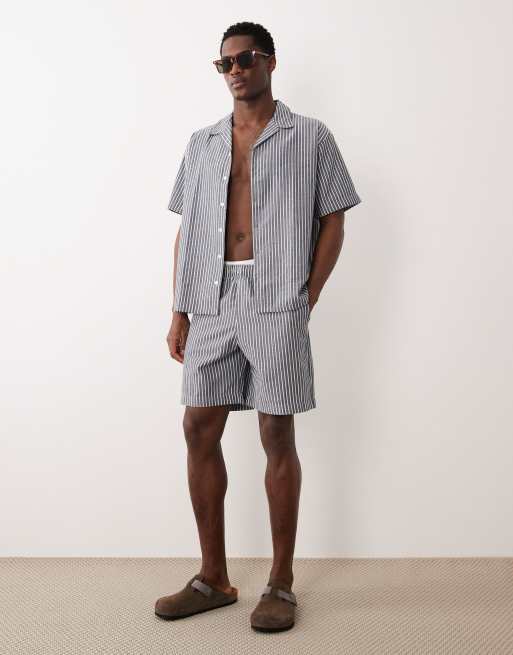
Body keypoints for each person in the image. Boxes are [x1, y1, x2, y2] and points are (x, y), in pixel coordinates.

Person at [155, 21, 361, 632]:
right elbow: (188, 229)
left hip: (276, 296)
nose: (235, 70)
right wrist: (179, 310)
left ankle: (281, 582)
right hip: (210, 296)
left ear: (270, 62)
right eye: (225, 63)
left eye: (245, 59)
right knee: (197, 426)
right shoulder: (202, 143)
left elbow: (334, 217)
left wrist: (307, 294)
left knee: (276, 431)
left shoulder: (311, 136)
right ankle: (213, 578)